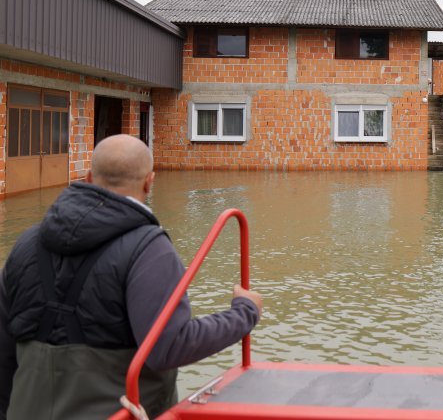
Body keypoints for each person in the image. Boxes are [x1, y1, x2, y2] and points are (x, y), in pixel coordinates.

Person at [0, 134, 263, 419]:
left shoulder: (27, 243)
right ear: (150, 181)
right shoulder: (149, 249)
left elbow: (4, 346)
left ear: (88, 177)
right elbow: (169, 346)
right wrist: (244, 312)